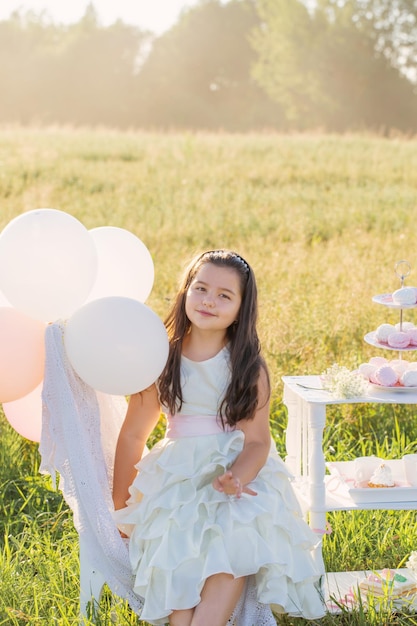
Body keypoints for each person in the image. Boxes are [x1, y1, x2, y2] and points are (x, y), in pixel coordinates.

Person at [112, 249, 325, 626]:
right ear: (184, 292)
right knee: (177, 559)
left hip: (236, 472)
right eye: (201, 288)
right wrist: (121, 509)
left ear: (242, 309)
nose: (209, 300)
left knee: (236, 536)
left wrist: (238, 477)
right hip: (178, 475)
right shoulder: (160, 357)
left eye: (224, 295)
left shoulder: (247, 367)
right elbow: (133, 435)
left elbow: (258, 441)